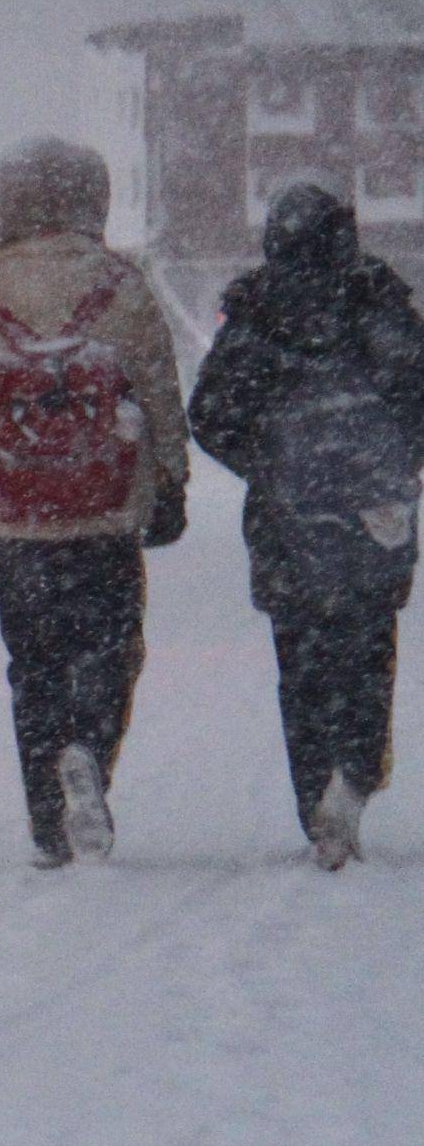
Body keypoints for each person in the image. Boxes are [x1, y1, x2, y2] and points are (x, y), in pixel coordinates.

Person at [0, 138, 190, 866]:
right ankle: (89, 754)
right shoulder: (123, 288)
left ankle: (48, 823)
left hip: (18, 517)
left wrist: (9, 431)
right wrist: (170, 478)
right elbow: (163, 397)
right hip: (108, 511)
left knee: (35, 662)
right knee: (110, 647)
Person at [187, 183, 424, 869]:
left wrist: (266, 464)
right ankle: (355, 769)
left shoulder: (257, 312)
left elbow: (211, 413)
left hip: (288, 518)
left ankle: (317, 798)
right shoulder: (378, 299)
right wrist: (395, 463)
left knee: (302, 662)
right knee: (368, 646)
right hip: (373, 512)